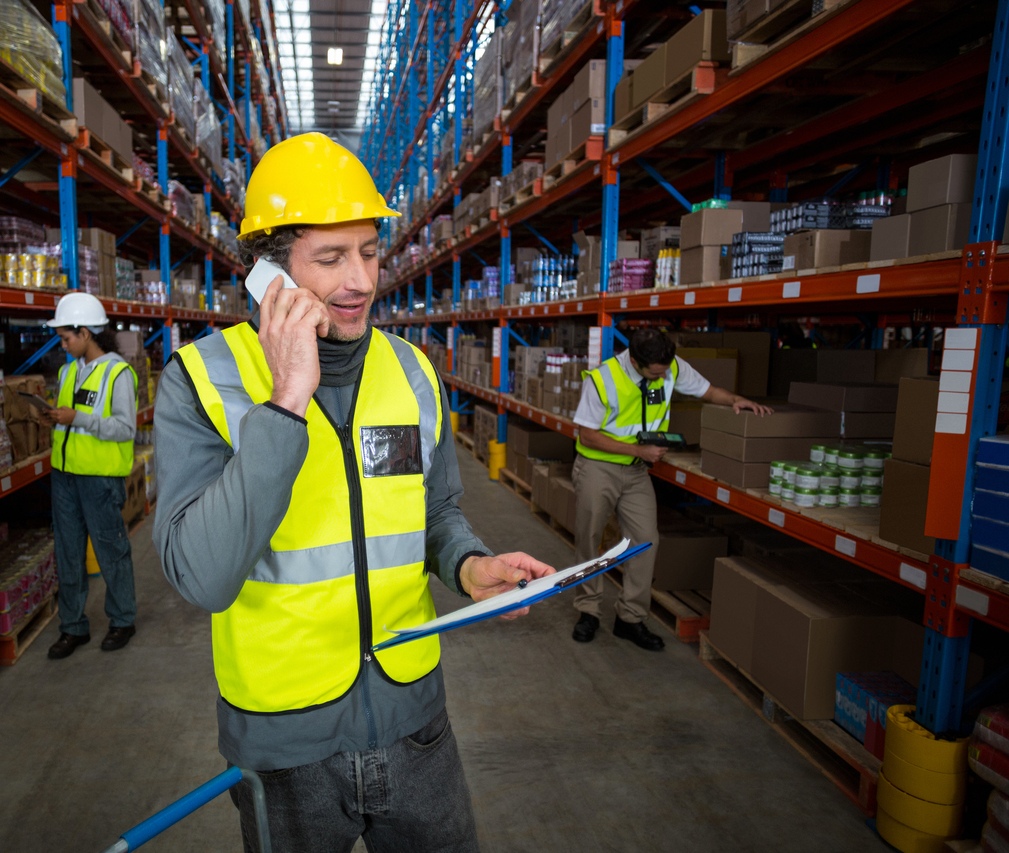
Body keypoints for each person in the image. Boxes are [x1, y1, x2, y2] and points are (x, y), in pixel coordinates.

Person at [152, 132, 556, 852]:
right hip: (285, 745)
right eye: (331, 258)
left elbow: (435, 513)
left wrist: (471, 566)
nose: (361, 281)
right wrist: (286, 400)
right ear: (269, 275)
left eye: (369, 252)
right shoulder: (202, 382)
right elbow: (204, 576)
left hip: (416, 722)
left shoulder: (413, 372)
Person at [569, 328, 773, 650]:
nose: (665, 376)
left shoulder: (670, 365)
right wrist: (640, 451)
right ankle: (588, 611)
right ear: (634, 361)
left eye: (666, 369)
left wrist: (736, 400)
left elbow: (707, 391)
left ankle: (630, 618)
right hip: (599, 468)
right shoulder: (602, 379)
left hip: (636, 473)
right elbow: (587, 436)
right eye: (657, 372)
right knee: (589, 538)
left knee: (646, 542)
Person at [40, 292, 139, 659]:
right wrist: (53, 418)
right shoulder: (68, 372)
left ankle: (122, 620)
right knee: (68, 554)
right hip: (64, 476)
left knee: (111, 552)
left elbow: (125, 428)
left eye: (67, 338)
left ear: (85, 332)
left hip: (98, 479)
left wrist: (77, 418)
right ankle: (73, 627)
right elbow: (71, 420)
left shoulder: (118, 373)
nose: (64, 345)